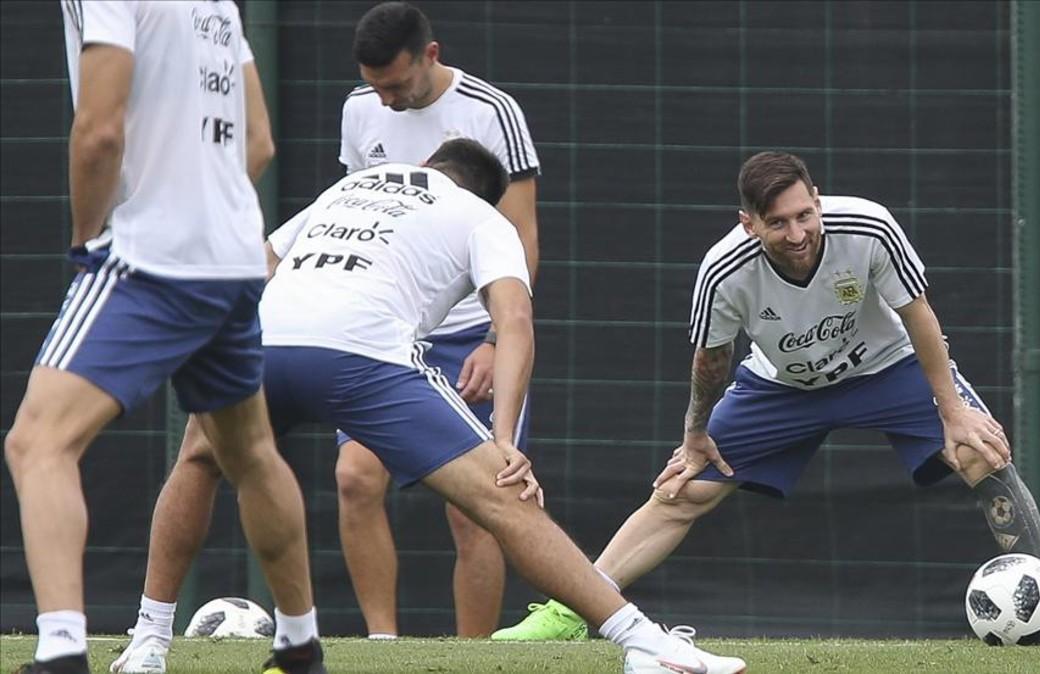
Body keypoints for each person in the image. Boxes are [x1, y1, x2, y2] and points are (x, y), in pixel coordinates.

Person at [123, 139, 749, 674]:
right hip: (361, 353)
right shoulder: (482, 217)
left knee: (198, 462)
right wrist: (506, 438)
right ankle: (644, 646)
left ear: (425, 165)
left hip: (264, 340)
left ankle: (149, 642)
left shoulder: (355, 186)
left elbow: (257, 266)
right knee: (503, 495)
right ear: (486, 194)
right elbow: (515, 320)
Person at [491, 151, 1040, 643]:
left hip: (888, 368)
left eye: (803, 214)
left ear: (816, 201)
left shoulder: (868, 226)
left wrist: (952, 410)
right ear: (749, 223)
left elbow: (919, 315)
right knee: (682, 488)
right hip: (780, 388)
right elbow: (711, 362)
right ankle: (576, 605)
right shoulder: (722, 270)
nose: (796, 233)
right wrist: (693, 437)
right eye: (777, 222)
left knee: (982, 451)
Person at [5, 3, 325, 674]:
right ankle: (299, 645)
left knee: (38, 441)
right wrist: (205, 214)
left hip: (152, 258)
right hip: (232, 260)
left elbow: (98, 131)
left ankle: (61, 650)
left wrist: (87, 239)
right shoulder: (215, 3)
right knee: (252, 454)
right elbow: (259, 140)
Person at [335, 1, 540, 638]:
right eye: (375, 86)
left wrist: (493, 336)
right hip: (385, 336)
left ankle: (470, 655)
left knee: (477, 508)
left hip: (468, 342)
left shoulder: (493, 112)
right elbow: (357, 215)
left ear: (431, 54)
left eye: (396, 84)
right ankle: (383, 646)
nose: (386, 100)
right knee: (353, 478)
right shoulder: (359, 108)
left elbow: (522, 236)